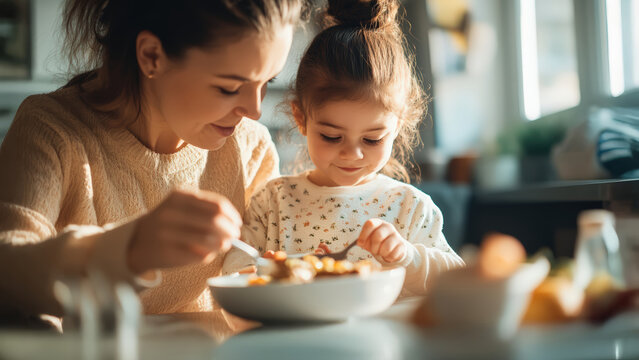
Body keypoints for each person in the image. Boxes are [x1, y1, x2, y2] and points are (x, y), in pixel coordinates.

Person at [0, 0, 308, 322]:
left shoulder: (251, 146)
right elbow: (7, 272)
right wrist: (129, 248)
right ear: (152, 56)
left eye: (267, 82)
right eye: (229, 87)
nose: (255, 109)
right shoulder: (53, 130)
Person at [223, 0, 464, 296]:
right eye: (331, 137)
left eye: (372, 139)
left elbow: (457, 281)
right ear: (301, 118)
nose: (352, 154)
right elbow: (234, 269)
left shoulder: (409, 207)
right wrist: (263, 268)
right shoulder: (273, 202)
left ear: (397, 126)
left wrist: (406, 256)